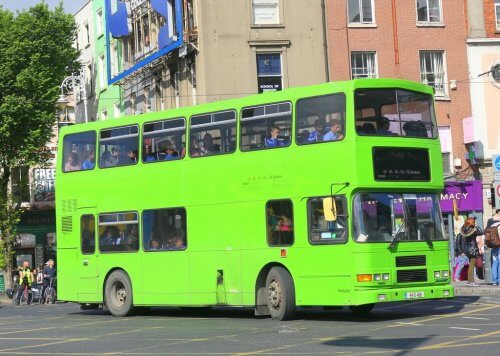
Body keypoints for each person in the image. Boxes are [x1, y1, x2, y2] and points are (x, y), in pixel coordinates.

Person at [456, 217, 483, 286]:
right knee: (471, 266)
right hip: (473, 249)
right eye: (473, 221)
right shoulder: (473, 230)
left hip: (467, 250)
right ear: (471, 222)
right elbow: (481, 232)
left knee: (471, 265)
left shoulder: (464, 229)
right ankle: (470, 281)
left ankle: (470, 281)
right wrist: (476, 225)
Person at [486, 209, 500, 286]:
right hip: (499, 246)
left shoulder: (490, 225)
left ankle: (495, 281)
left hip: (493, 246)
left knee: (495, 262)